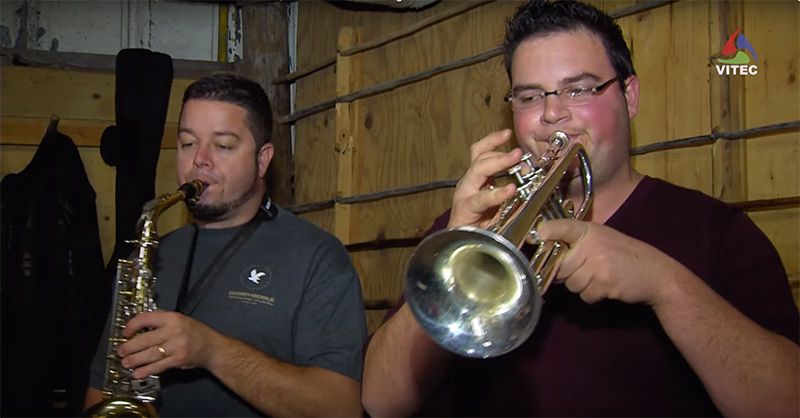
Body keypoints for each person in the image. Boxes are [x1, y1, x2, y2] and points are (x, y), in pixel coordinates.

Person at [362, 1, 800, 416]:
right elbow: (381, 402)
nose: (552, 114)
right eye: (530, 97)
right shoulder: (474, 229)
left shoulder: (716, 232)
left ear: (629, 96)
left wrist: (666, 286)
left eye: (579, 89)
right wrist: (449, 257)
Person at [85, 74, 367, 417]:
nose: (200, 160)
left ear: (263, 160)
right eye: (188, 143)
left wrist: (211, 351)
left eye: (223, 145)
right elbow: (102, 390)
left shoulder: (318, 257)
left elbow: (341, 408)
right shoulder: (150, 255)